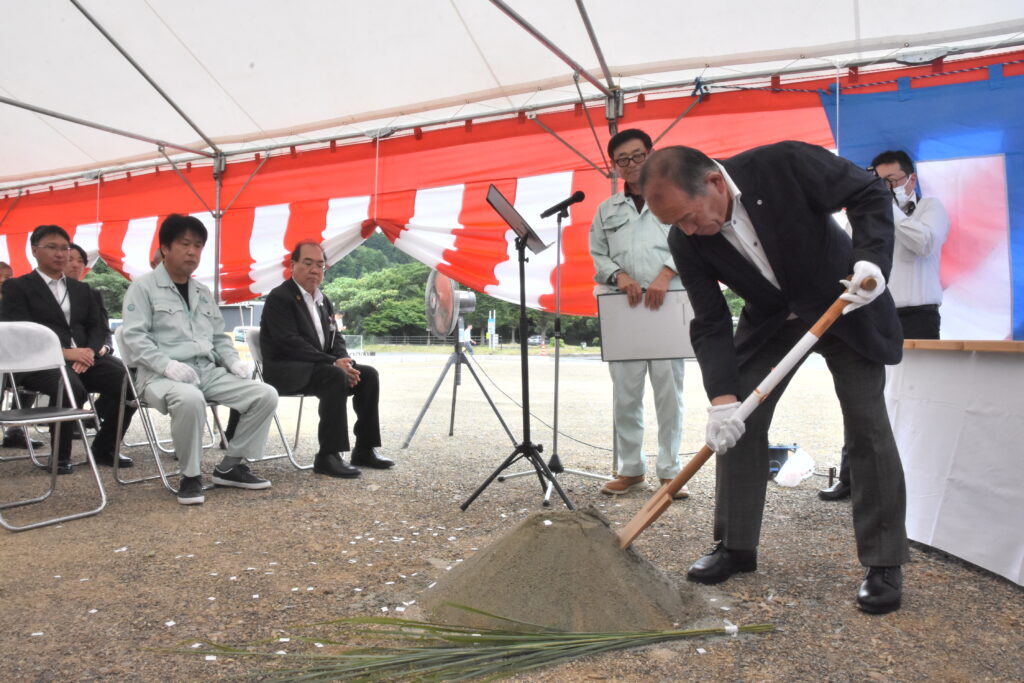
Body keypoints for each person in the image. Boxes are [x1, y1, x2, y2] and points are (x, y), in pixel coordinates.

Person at [640, 141, 909, 614]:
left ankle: (884, 561)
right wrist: (722, 399)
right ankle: (735, 545)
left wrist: (870, 261)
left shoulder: (782, 165)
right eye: (674, 225)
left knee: (866, 424)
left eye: (687, 216)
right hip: (772, 321)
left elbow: (867, 191)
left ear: (715, 183)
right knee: (740, 422)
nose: (686, 230)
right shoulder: (687, 240)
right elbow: (709, 320)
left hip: (843, 302)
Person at [819, 150, 950, 502]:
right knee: (863, 394)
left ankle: (917, 478)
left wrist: (887, 208)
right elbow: (846, 252)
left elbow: (923, 244)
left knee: (918, 398)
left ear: (911, 179)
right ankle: (851, 477)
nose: (885, 188)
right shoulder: (866, 215)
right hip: (874, 311)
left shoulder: (931, 208)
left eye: (891, 180)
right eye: (878, 182)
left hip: (919, 314)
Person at [120, 214, 278, 504]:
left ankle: (230, 466)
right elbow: (134, 338)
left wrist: (232, 361)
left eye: (198, 246)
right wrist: (165, 364)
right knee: (190, 398)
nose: (193, 251)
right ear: (165, 248)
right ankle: (190, 475)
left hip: (206, 371)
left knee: (265, 394)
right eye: (185, 244)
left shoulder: (202, 292)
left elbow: (218, 337)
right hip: (159, 375)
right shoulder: (143, 288)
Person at [589, 129, 687, 499]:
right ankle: (631, 469)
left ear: (652, 155)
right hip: (624, 306)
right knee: (626, 394)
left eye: (638, 155)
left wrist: (666, 273)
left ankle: (669, 471)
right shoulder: (606, 210)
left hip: (668, 302)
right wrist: (619, 275)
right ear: (613, 166)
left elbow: (691, 237)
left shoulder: (674, 197)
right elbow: (598, 254)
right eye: (623, 160)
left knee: (669, 392)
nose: (631, 165)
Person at [0, 226, 134, 473]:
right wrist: (64, 353)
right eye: (52, 247)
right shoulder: (18, 287)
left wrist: (90, 352)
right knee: (70, 386)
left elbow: (96, 326)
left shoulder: (81, 289)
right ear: (34, 251)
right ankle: (60, 456)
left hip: (84, 357)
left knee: (127, 381)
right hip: (39, 362)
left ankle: (105, 448)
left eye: (65, 248)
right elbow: (19, 331)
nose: (60, 254)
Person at [258, 240, 392, 478]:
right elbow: (289, 342)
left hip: (318, 366)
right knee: (333, 375)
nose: (314, 270)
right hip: (286, 370)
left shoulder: (323, 300)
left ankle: (364, 449)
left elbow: (335, 337)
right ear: (292, 265)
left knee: (368, 375)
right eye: (307, 263)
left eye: (319, 265)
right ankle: (328, 455)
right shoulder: (280, 297)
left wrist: (344, 360)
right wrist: (331, 363)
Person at [0, 261, 44, 450]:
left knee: (35, 368)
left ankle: (15, 430)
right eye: (1, 277)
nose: (4, 281)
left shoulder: (18, 302)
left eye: (8, 277)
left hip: (17, 360)